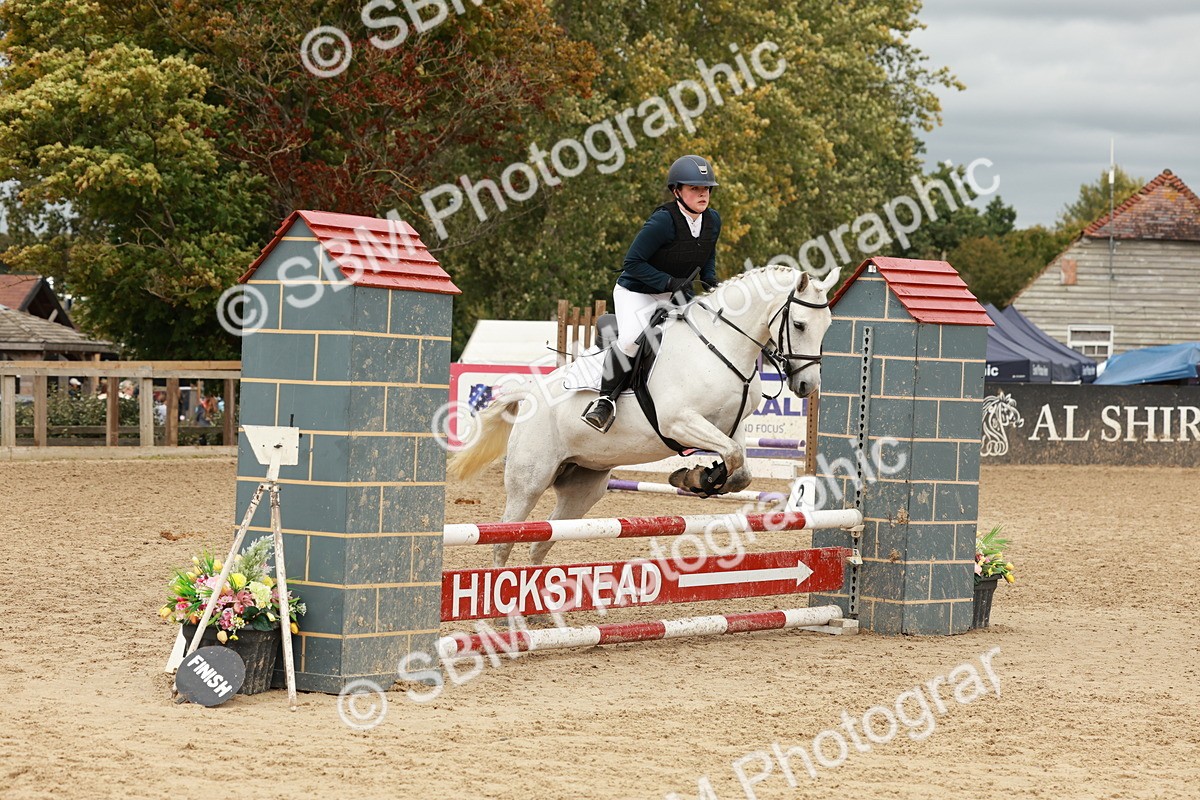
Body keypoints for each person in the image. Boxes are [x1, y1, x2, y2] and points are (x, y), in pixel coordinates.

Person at [581, 154, 722, 432]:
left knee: (702, 334)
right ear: (676, 191)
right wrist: (670, 282)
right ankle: (605, 401)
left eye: (705, 188)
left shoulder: (712, 220)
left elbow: (707, 254)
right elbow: (631, 263)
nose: (702, 194)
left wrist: (712, 283)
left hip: (675, 292)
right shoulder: (662, 222)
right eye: (694, 188)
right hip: (637, 290)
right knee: (633, 339)